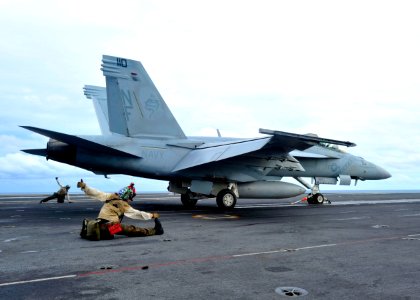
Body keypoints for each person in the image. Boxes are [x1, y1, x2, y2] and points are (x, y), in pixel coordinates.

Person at [77, 179, 163, 240]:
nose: (130, 200)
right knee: (132, 230)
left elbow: (96, 193)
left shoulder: (109, 197)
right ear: (127, 196)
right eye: (130, 197)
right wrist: (151, 215)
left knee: (126, 229)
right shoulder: (123, 205)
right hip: (109, 227)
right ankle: (156, 231)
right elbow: (137, 214)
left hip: (99, 225)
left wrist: (84, 186)